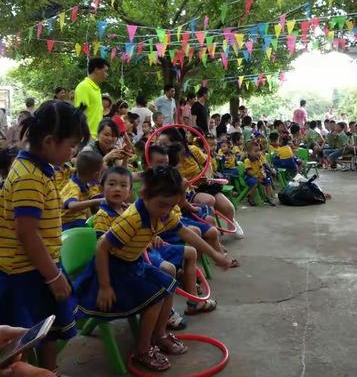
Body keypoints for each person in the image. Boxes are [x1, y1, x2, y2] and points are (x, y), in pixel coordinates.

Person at [74, 166, 231, 372]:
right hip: (112, 270)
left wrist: (216, 254)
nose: (166, 211)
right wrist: (104, 286)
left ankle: (159, 335)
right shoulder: (133, 218)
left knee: (167, 284)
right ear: (143, 195)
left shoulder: (161, 211)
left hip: (133, 263)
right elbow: (102, 248)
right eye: (163, 205)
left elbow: (185, 232)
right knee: (155, 294)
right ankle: (143, 349)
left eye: (171, 206)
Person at [0, 100, 89, 374]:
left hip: (40, 267)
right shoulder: (29, 176)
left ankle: (50, 370)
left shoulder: (38, 168)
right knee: (23, 338)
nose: (74, 152)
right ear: (50, 141)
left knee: (48, 329)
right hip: (24, 275)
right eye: (71, 145)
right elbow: (27, 234)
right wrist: (53, 275)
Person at [60, 151, 104, 230]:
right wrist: (96, 201)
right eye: (102, 171)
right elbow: (72, 206)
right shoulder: (73, 186)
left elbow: (96, 199)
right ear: (96, 174)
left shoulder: (87, 183)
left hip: (78, 221)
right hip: (65, 225)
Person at [74, 57, 109, 139]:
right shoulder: (84, 87)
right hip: (88, 138)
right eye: (105, 71)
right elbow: (79, 114)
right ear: (96, 70)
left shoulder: (96, 89)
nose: (107, 75)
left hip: (96, 137)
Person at [244, 140, 276, 206]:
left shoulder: (258, 159)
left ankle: (268, 197)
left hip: (258, 176)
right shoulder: (247, 160)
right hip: (250, 177)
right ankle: (250, 195)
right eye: (256, 151)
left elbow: (261, 168)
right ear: (249, 152)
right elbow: (249, 172)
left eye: (259, 150)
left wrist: (263, 174)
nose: (258, 152)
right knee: (255, 183)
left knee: (267, 181)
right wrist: (257, 177)